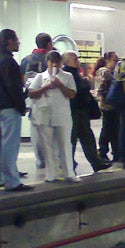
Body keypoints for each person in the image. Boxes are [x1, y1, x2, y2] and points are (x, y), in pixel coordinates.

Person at [0, 29, 33, 191]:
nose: (18, 42)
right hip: (8, 107)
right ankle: (12, 181)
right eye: (16, 39)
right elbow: (13, 88)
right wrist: (21, 106)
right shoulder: (8, 62)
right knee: (10, 145)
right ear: (9, 41)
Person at [28, 50, 79, 182]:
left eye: (57, 63)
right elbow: (32, 93)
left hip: (62, 115)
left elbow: (72, 94)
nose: (55, 66)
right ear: (47, 63)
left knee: (65, 144)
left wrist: (60, 86)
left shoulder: (67, 76)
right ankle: (51, 173)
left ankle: (69, 172)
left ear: (61, 62)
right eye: (52, 63)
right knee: (48, 145)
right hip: (45, 115)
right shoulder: (40, 77)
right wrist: (46, 87)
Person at [62, 51, 112, 173]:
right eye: (75, 59)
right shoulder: (68, 74)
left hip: (80, 111)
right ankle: (70, 165)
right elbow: (77, 90)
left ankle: (95, 161)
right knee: (73, 139)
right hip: (73, 111)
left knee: (86, 137)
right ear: (67, 61)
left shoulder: (74, 74)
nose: (78, 61)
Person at [21, 32, 53, 169]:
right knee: (49, 131)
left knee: (36, 130)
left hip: (32, 99)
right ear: (49, 44)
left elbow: (22, 80)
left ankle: (40, 160)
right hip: (48, 98)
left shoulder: (25, 60)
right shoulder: (50, 59)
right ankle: (50, 159)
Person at [95, 52, 119, 161]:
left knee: (114, 129)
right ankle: (103, 151)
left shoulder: (110, 72)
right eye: (114, 60)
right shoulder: (105, 72)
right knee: (107, 128)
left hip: (113, 104)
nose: (116, 63)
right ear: (108, 60)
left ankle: (116, 151)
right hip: (107, 104)